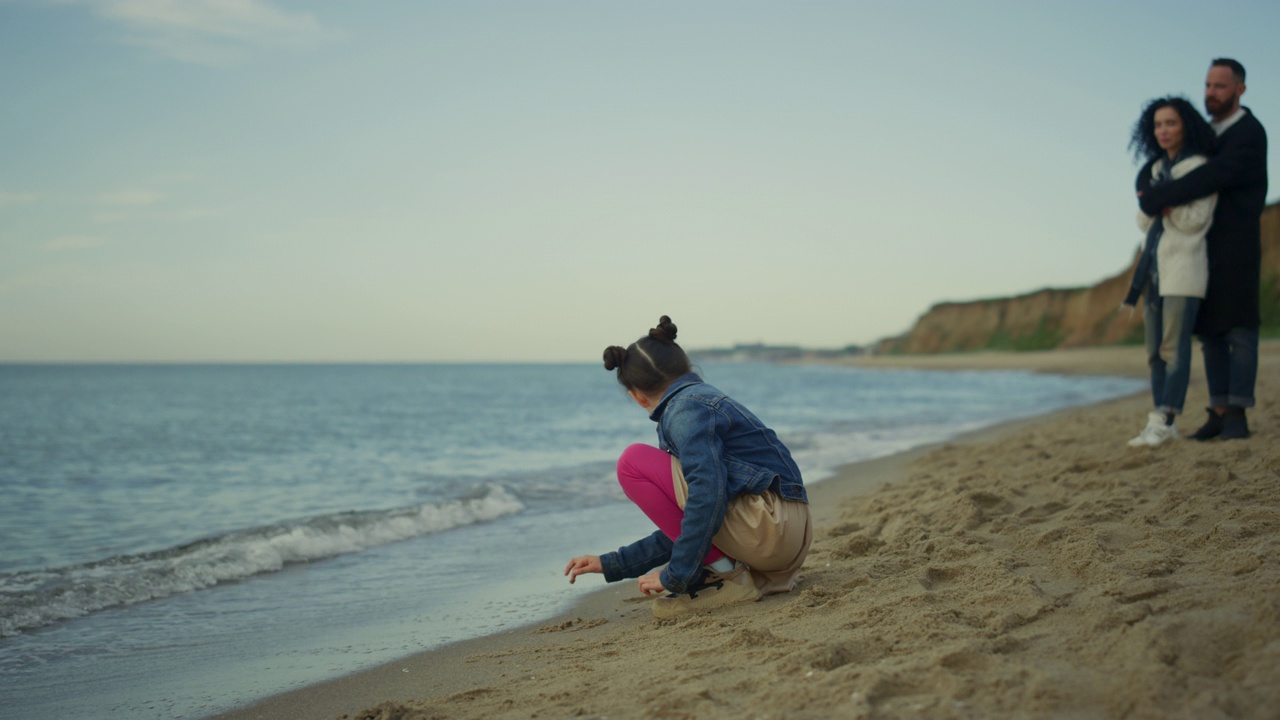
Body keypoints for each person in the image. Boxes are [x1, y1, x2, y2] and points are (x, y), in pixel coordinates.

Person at [564, 316, 812, 618]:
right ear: (686, 368)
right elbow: (694, 517)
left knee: (632, 463)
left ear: (636, 396)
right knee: (693, 497)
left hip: (769, 528)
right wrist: (614, 562)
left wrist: (676, 574)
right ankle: (720, 572)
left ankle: (725, 579)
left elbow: (707, 497)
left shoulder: (684, 409)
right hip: (787, 531)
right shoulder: (704, 399)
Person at [1137, 58, 1269, 441]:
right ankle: (1218, 410)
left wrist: (1156, 197)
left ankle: (1238, 414)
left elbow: (1212, 176)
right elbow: (1161, 165)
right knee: (1210, 332)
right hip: (1202, 247)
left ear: (1240, 89)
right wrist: (1145, 187)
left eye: (1221, 86)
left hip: (1239, 244)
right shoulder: (1205, 135)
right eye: (1208, 85)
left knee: (1240, 329)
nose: (1211, 92)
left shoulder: (1248, 132)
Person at [1124, 97, 1218, 447]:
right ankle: (1160, 419)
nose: (1163, 130)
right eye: (1158, 125)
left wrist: (1163, 203)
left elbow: (1196, 220)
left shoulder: (1199, 168)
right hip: (1152, 272)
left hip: (1184, 269)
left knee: (1174, 350)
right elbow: (1142, 219)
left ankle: (1167, 417)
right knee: (1153, 352)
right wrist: (1164, 201)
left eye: (1171, 123)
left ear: (1186, 126)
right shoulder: (1152, 170)